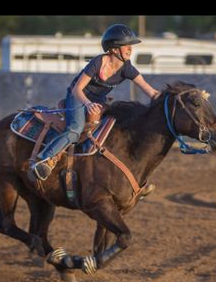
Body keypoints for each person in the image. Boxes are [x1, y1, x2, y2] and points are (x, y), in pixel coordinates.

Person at [30, 24, 160, 195]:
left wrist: (169, 97)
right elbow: (77, 89)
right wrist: (87, 103)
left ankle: (131, 181)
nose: (130, 49)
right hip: (77, 96)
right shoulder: (98, 62)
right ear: (114, 49)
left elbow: (149, 90)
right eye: (126, 45)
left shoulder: (127, 68)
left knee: (118, 125)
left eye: (131, 46)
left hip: (98, 100)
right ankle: (44, 159)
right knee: (75, 130)